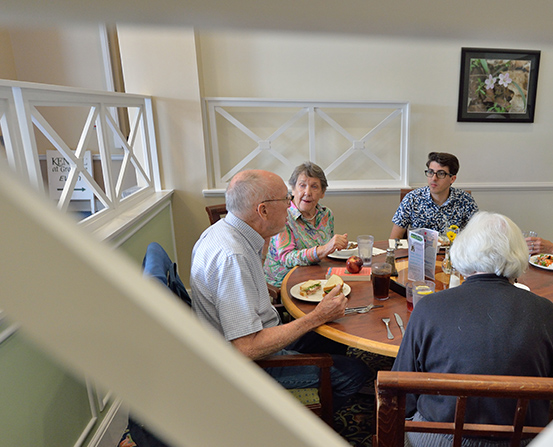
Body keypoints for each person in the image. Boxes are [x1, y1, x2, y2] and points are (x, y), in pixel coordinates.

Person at [391, 211, 553, 447]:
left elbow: (400, 393)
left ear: (462, 252)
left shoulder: (429, 308)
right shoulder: (543, 311)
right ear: (517, 255)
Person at [190, 169, 369, 406]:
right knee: (357, 372)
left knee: (336, 333)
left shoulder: (221, 233)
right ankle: (297, 426)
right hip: (254, 367)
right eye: (285, 198)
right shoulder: (233, 257)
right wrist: (316, 316)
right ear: (262, 210)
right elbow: (247, 348)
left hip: (261, 335)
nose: (290, 204)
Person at [263, 162, 349, 288]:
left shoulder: (326, 215)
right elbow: (287, 258)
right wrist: (323, 249)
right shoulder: (283, 216)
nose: (307, 192)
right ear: (293, 189)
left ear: (322, 192)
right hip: (285, 284)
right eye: (302, 185)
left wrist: (337, 247)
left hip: (316, 277)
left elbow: (327, 254)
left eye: (314, 187)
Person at [389, 152, 478, 239]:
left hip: (453, 252)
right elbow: (395, 238)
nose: (434, 178)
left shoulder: (465, 200)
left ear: (452, 179)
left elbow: (476, 236)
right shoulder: (412, 198)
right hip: (419, 252)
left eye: (441, 173)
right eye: (431, 172)